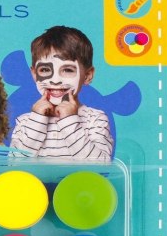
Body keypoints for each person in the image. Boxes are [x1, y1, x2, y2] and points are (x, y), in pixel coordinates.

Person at [10, 26, 114, 160]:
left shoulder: (95, 120)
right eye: (45, 70)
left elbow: (100, 164)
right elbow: (15, 162)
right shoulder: (25, 122)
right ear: (34, 74)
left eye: (67, 70)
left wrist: (69, 120)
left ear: (87, 75)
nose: (55, 80)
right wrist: (37, 120)